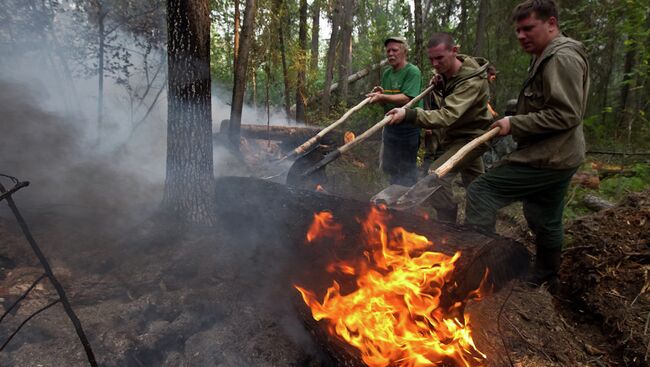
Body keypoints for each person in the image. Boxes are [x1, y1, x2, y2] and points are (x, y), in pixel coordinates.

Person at [464, 0, 590, 293]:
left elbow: (567, 114)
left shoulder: (561, 58)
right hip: (561, 155)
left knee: (482, 191)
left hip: (548, 156)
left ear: (552, 24)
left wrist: (514, 123)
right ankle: (547, 275)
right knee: (544, 216)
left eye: (528, 28)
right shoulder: (545, 54)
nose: (521, 36)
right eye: (518, 30)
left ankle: (480, 270)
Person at [385, 32, 493, 223]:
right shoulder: (452, 72)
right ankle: (482, 228)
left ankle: (449, 226)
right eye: (431, 59)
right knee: (478, 188)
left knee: (436, 178)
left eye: (440, 58)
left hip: (473, 139)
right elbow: (449, 89)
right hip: (455, 137)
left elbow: (447, 115)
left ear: (454, 51)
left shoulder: (471, 80)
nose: (435, 64)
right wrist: (440, 81)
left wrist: (409, 114)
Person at [367, 36, 422, 186]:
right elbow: (386, 102)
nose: (390, 53)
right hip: (391, 127)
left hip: (408, 126)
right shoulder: (386, 73)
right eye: (388, 51)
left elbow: (407, 99)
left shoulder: (413, 71)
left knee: (407, 170)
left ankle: (408, 203)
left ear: (404, 51)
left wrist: (383, 96)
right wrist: (380, 96)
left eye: (394, 50)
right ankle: (391, 203)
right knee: (391, 168)